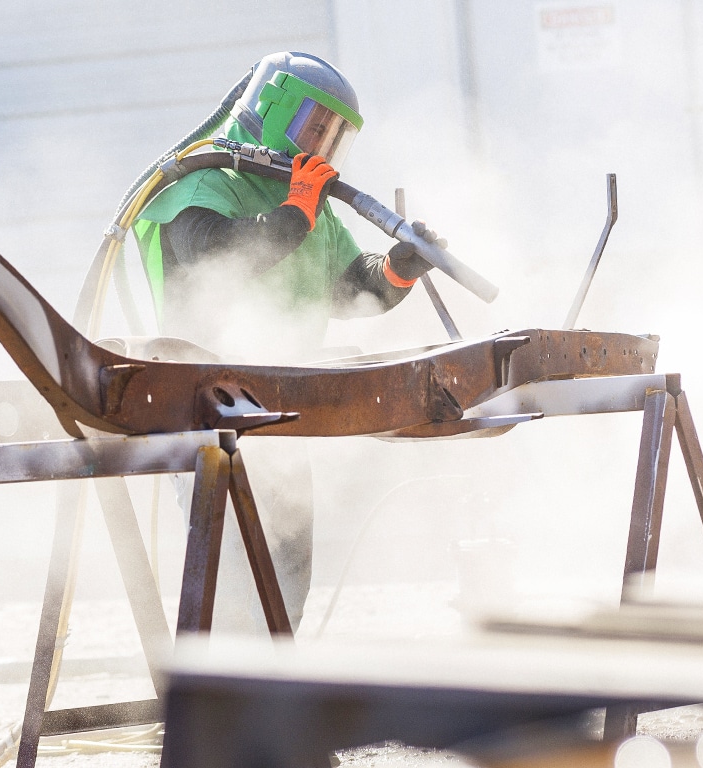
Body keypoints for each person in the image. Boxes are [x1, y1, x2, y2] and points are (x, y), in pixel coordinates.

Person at [132, 51, 443, 632]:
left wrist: (398, 269)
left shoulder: (310, 205)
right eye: (312, 126)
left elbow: (350, 288)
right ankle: (223, 700)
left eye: (334, 136)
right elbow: (217, 256)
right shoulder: (198, 183)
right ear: (269, 108)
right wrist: (295, 210)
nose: (321, 146)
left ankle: (273, 688)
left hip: (276, 406)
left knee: (289, 558)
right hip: (201, 406)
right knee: (224, 564)